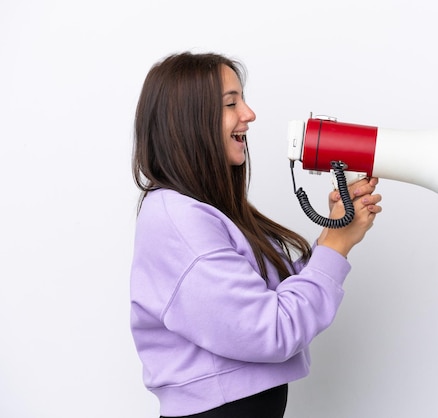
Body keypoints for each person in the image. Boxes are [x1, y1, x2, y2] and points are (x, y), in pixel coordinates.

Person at [130, 51, 382, 418]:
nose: (249, 115)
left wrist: (338, 231)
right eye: (231, 103)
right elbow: (271, 329)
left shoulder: (198, 212)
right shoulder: (178, 220)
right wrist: (334, 246)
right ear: (189, 121)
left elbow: (268, 299)